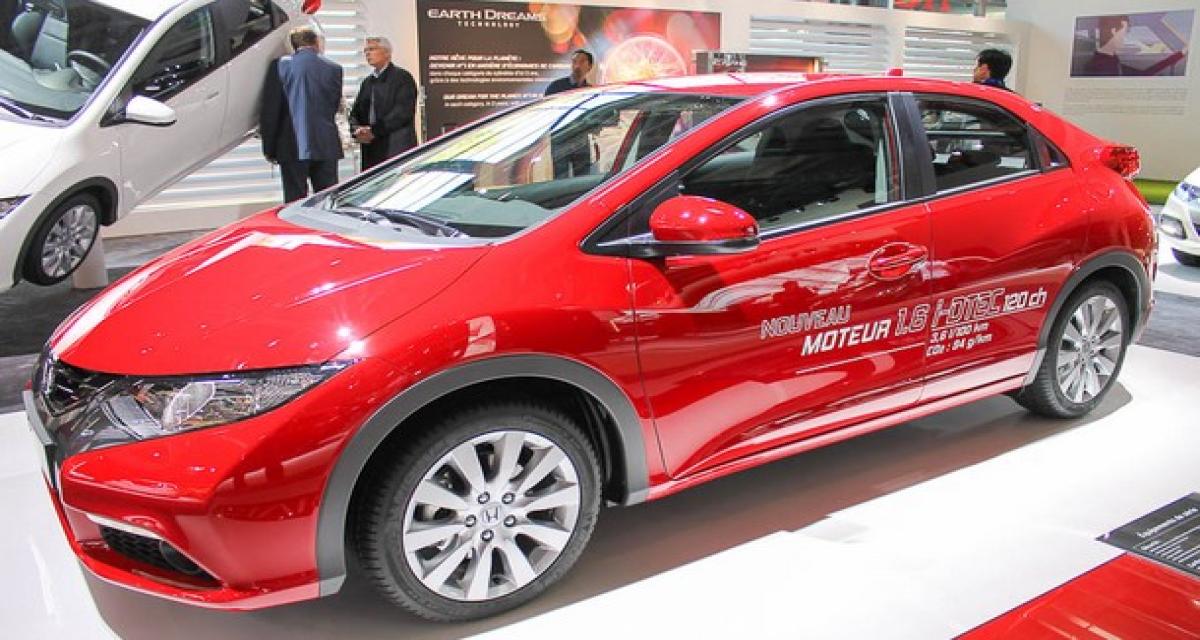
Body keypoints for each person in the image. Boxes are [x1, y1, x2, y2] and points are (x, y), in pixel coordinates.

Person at [260, 26, 344, 203]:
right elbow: (334, 106)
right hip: (326, 143)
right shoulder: (334, 68)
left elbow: (272, 109)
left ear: (293, 45)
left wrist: (269, 148)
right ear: (316, 42)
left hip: (292, 144)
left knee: (295, 201)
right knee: (327, 201)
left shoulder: (281, 65)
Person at [349, 36, 419, 171]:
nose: (367, 54)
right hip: (371, 149)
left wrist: (374, 130)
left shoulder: (402, 78)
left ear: (387, 52)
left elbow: (402, 113)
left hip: (395, 146)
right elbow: (355, 113)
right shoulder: (367, 82)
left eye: (372, 49)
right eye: (365, 51)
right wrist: (356, 130)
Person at [1082, 15, 1187, 77]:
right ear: (1114, 31)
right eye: (1125, 32)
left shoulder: (1110, 60)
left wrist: (1180, 54)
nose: (1125, 37)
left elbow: (1143, 75)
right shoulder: (1102, 65)